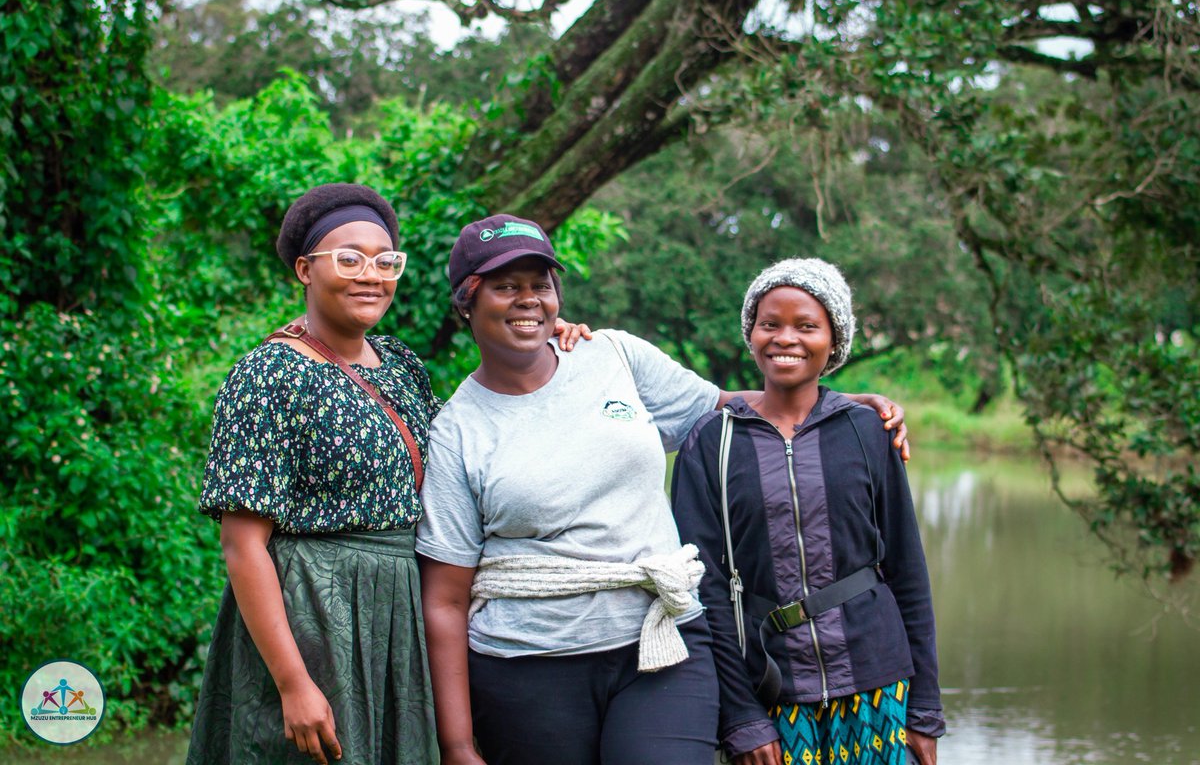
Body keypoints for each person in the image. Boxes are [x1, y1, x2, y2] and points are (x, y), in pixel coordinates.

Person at [415, 217, 912, 765]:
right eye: (506, 287)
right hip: (528, 663)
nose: (528, 300)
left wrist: (839, 403)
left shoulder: (613, 357)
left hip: (662, 639)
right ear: (467, 302)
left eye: (541, 285)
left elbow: (722, 406)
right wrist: (458, 744)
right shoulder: (458, 430)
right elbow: (446, 599)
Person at [186, 186, 588, 765]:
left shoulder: (400, 364)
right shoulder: (267, 373)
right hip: (313, 617)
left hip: (400, 610)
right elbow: (243, 545)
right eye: (348, 258)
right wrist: (293, 682)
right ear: (305, 269)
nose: (370, 275)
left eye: (385, 260)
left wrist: (547, 330)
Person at [671, 259, 944, 765]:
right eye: (769, 324)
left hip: (878, 688)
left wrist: (924, 710)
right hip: (772, 690)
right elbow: (701, 591)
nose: (785, 338)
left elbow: (907, 571)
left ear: (834, 341)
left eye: (806, 326)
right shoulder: (712, 444)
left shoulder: (867, 432)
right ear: (751, 333)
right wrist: (742, 717)